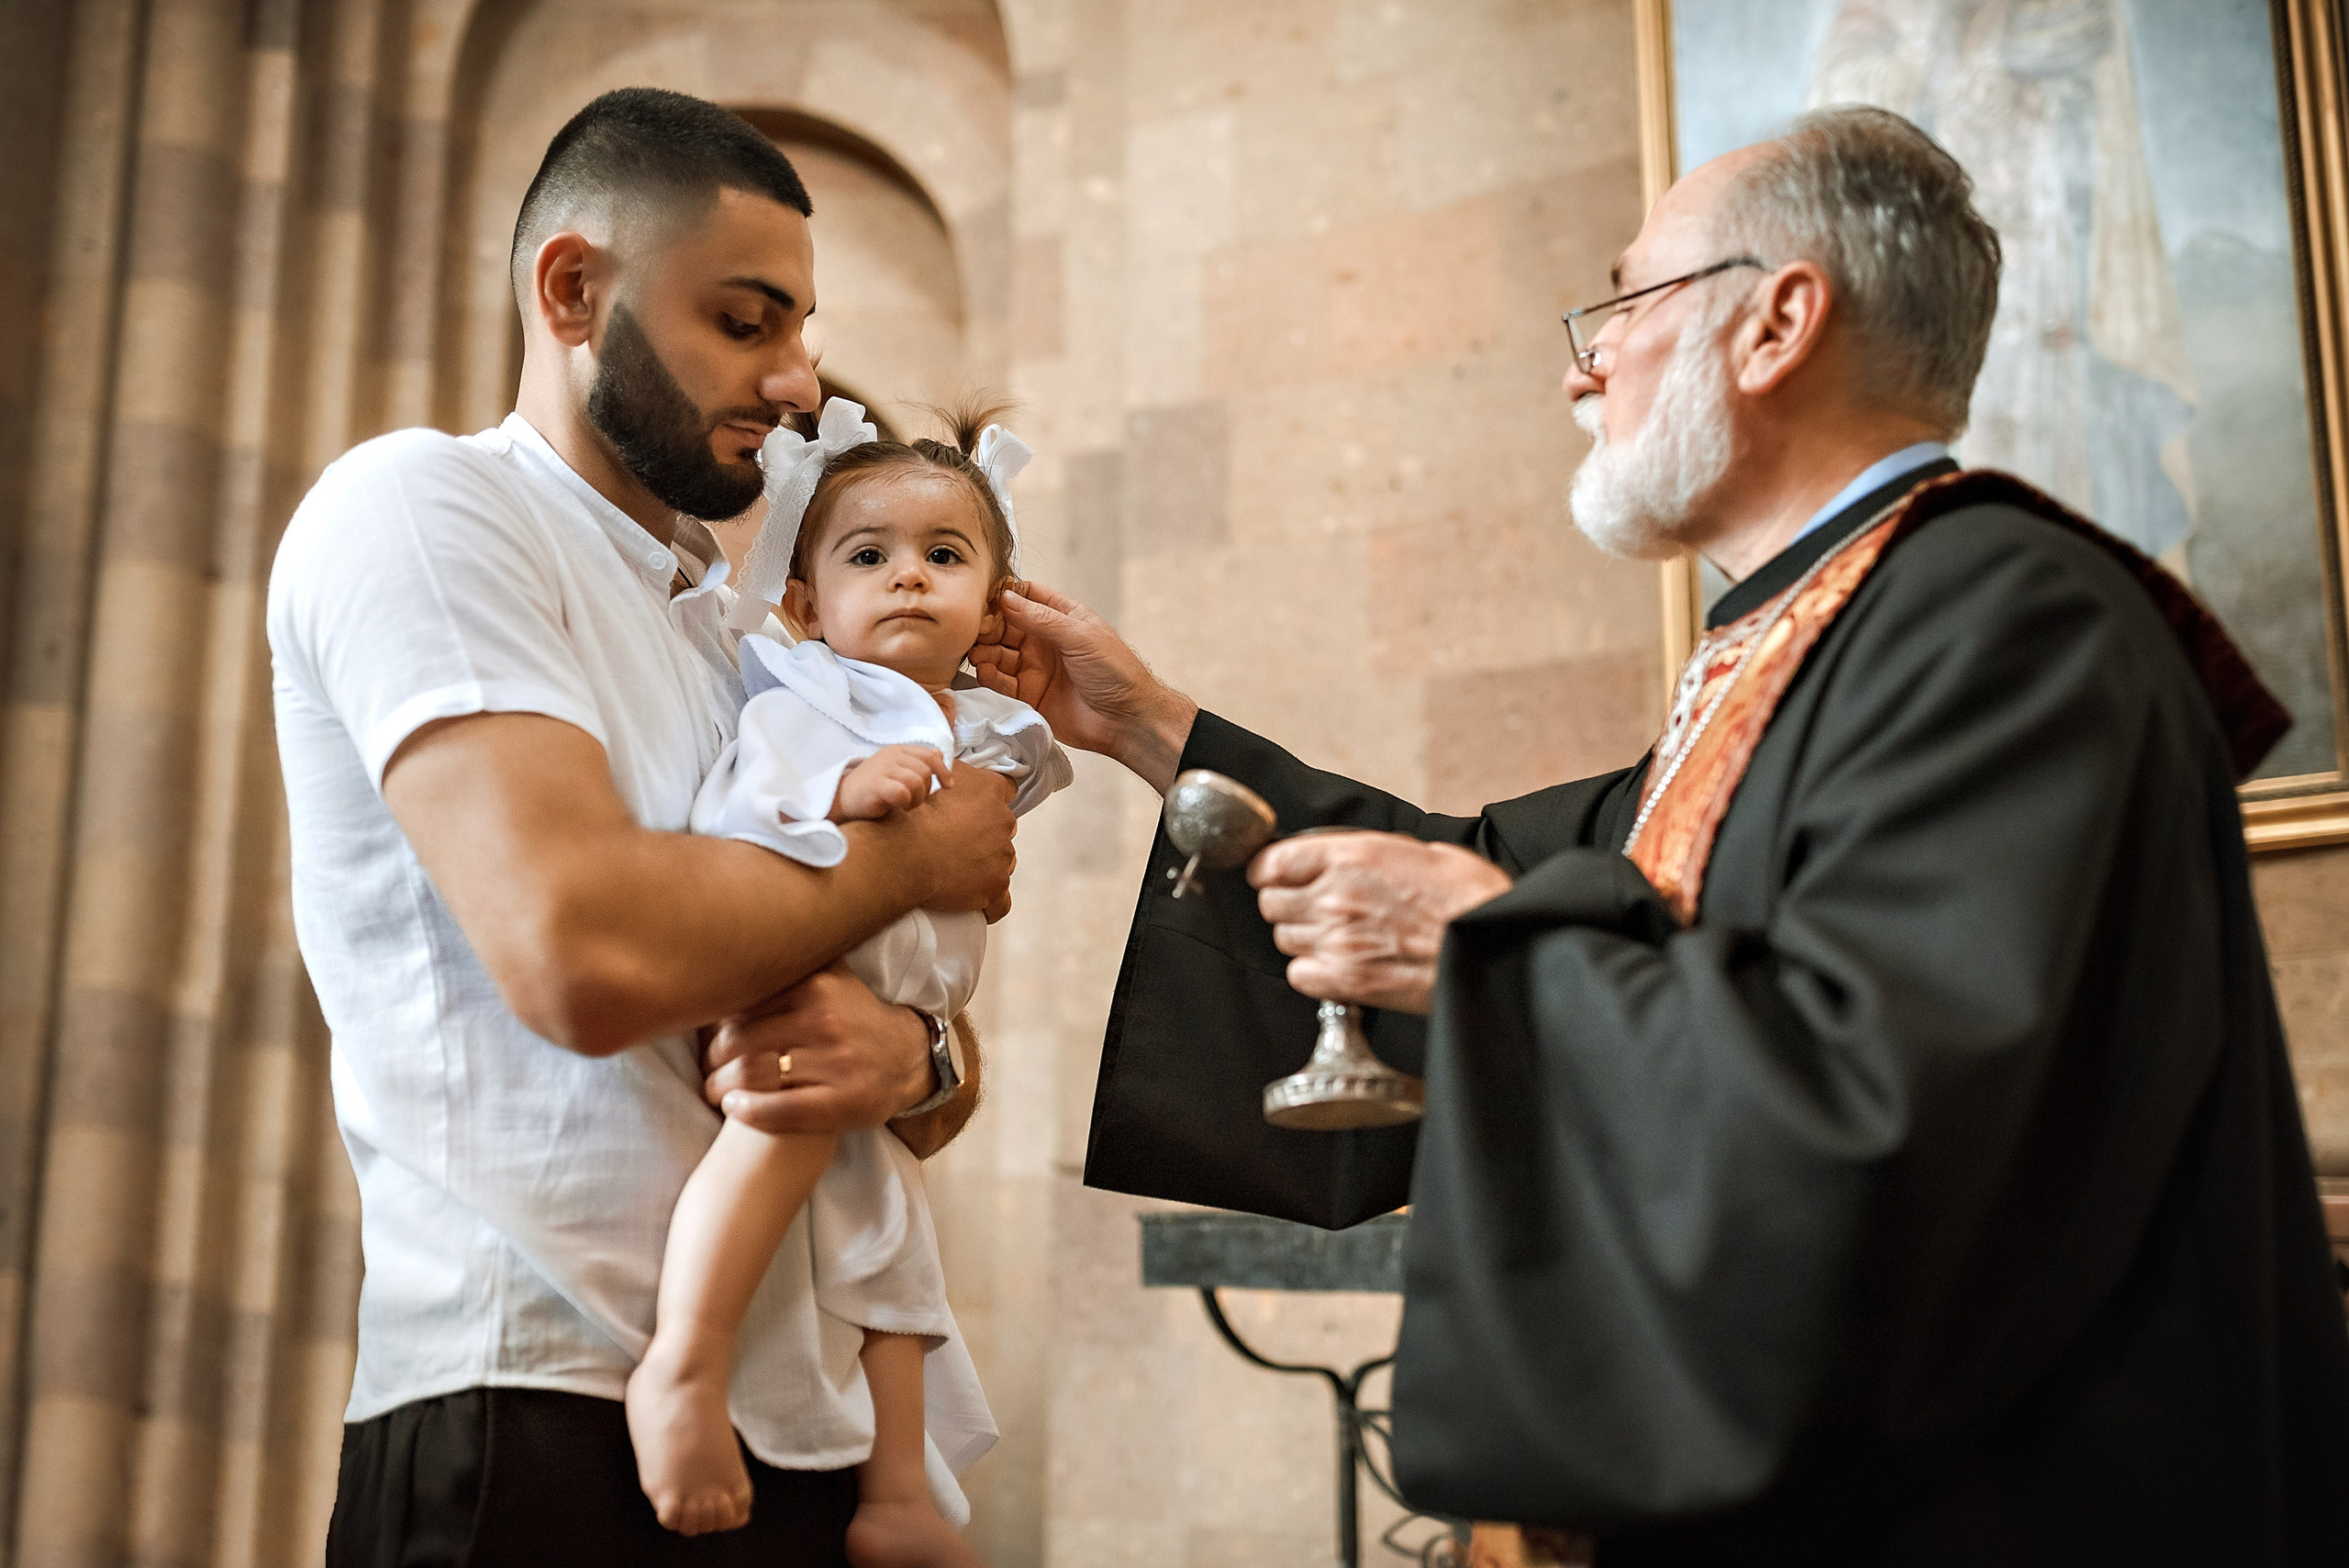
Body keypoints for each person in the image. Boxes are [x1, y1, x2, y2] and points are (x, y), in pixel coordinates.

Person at [968, 106, 2349, 1562]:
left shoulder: (2014, 625)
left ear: (1777, 324)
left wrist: (1472, 955)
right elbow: (1513, 875)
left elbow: (1897, 1103)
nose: (1581, 367)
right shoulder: (1808, 639)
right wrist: (1147, 726)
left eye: (1623, 301)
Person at [270, 88, 1014, 1567]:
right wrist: (922, 855)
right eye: (748, 323)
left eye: (801, 329)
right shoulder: (424, 508)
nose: (800, 383)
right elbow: (587, 955)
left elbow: (879, 1017)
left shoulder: (741, 638)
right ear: (572, 291)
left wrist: (913, 1054)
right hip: (531, 1399)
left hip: (795, 1430)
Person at [629, 395, 1069, 1562]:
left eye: (945, 556)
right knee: (771, 1151)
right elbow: (730, 821)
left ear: (990, 596)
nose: (909, 578)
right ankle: (684, 1360)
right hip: (794, 1002)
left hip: (891, 1039)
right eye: (870, 556)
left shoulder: (976, 720)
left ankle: (899, 1492)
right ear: (808, 602)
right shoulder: (801, 699)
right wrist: (837, 795)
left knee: (895, 1247)